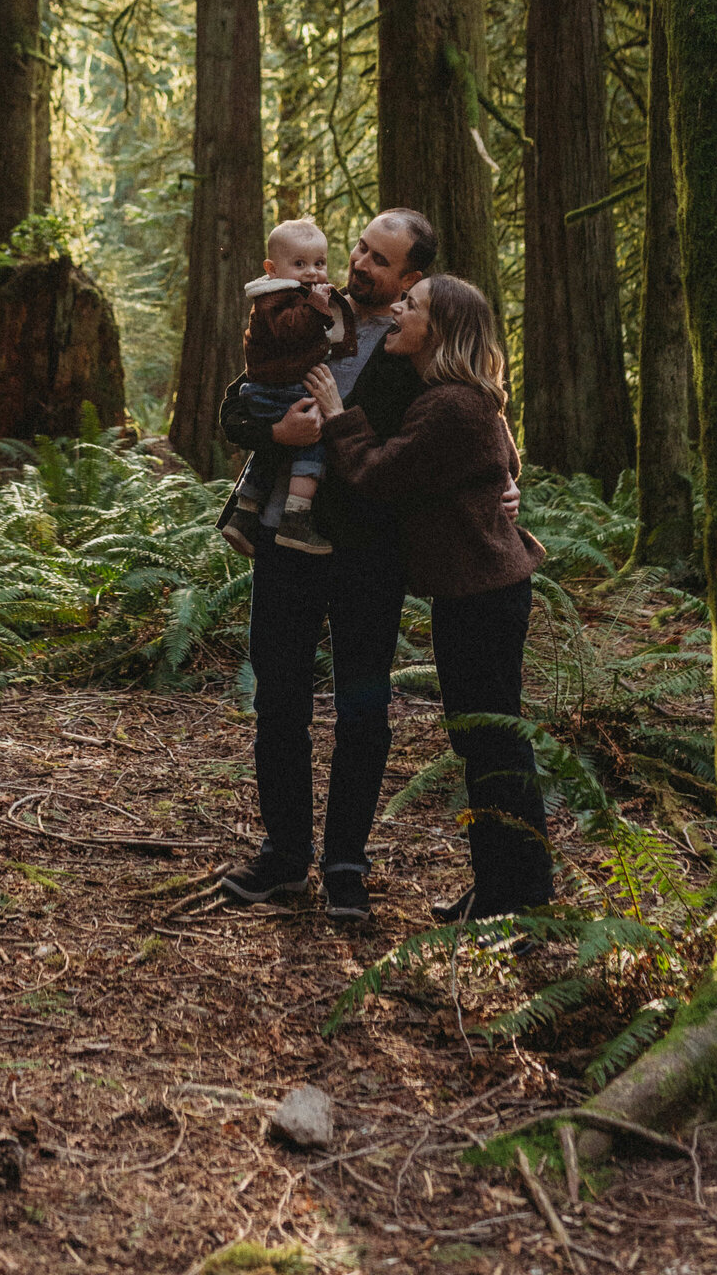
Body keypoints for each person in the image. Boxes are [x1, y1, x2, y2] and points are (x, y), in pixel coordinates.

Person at [306, 273, 553, 926]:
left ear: (436, 329)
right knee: (481, 739)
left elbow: (378, 475)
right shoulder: (460, 396)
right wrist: (501, 485)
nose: (396, 312)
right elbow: (504, 458)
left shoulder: (449, 406)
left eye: (409, 306)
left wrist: (337, 416)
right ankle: (499, 885)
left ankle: (521, 898)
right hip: (476, 591)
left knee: (494, 741)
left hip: (484, 595)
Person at [217, 209, 441, 924]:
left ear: (412, 277)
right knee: (278, 702)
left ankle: (346, 862)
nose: (359, 264)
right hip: (285, 544)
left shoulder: (415, 343)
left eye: (381, 260)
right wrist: (271, 431)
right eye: (360, 249)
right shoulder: (309, 310)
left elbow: (471, 407)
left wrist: (506, 474)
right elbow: (242, 396)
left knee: (363, 711)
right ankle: (285, 856)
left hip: (368, 552)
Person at [223, 217, 358, 559]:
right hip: (277, 391)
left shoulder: (293, 296)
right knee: (314, 441)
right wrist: (318, 307)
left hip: (271, 388)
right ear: (271, 268)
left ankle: (245, 511)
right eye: (300, 264)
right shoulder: (276, 299)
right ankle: (295, 518)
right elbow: (292, 331)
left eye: (320, 263)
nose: (312, 272)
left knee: (274, 450)